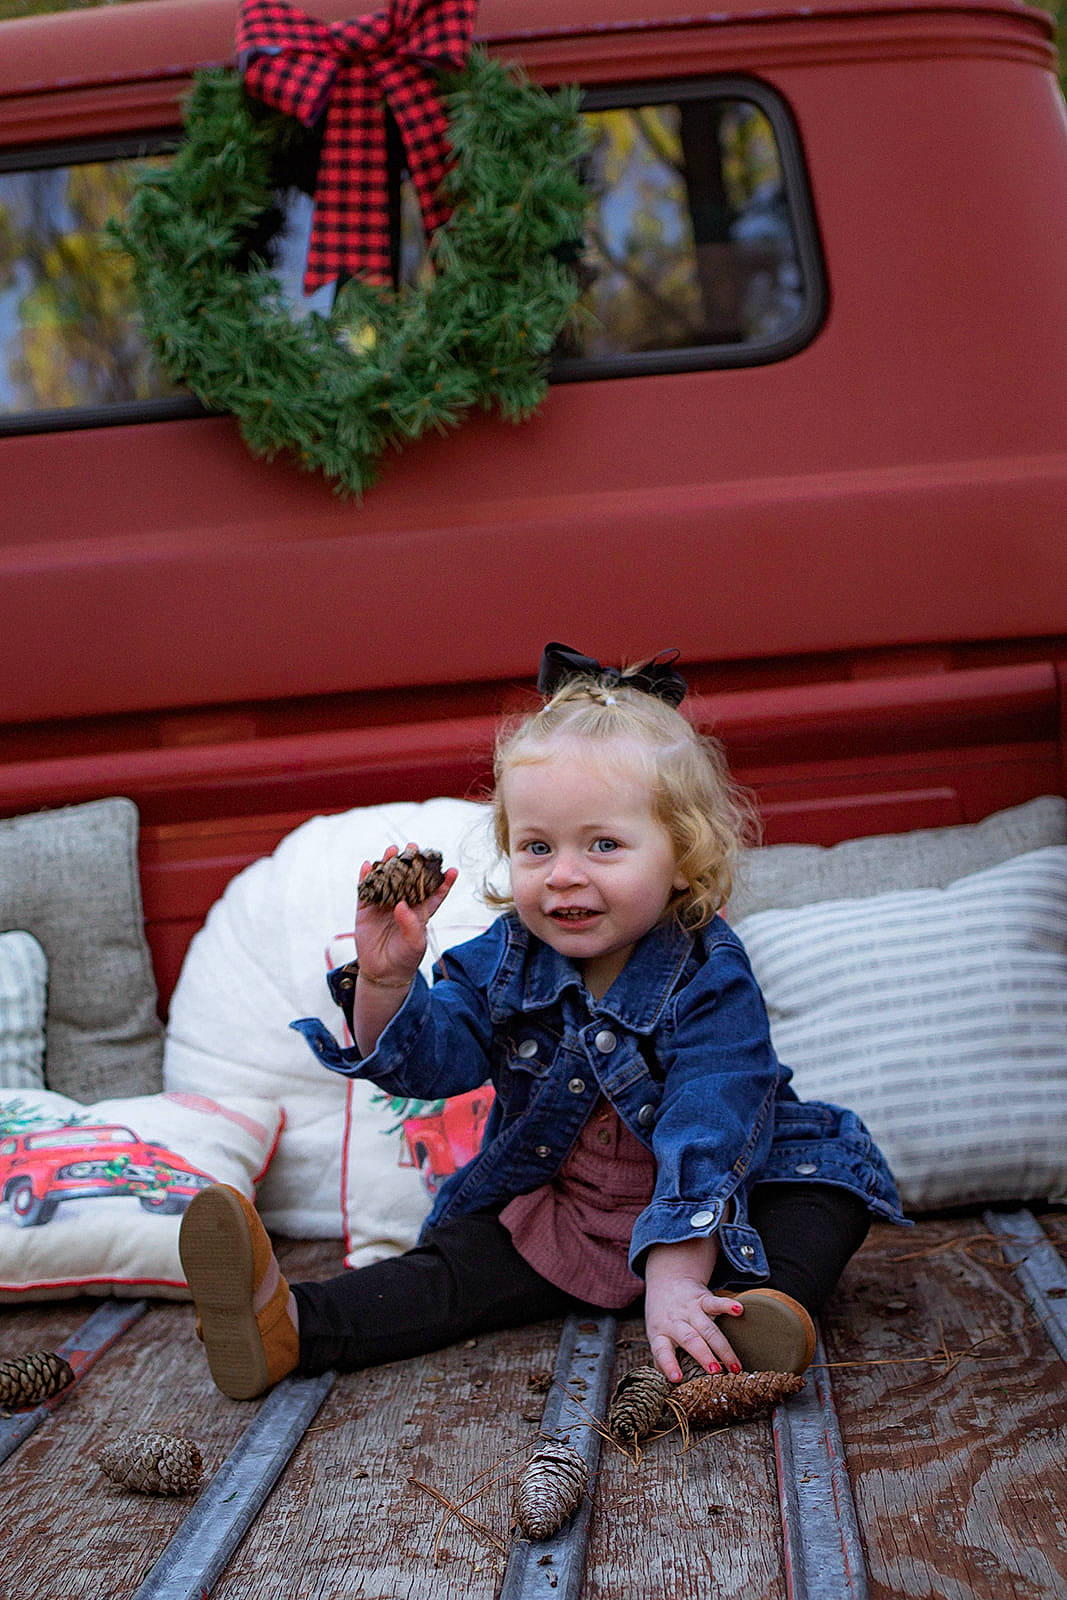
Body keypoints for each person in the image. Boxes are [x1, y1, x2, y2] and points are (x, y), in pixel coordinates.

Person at [179, 642, 906, 1401]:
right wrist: (387, 982)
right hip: (567, 1217)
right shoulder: (502, 961)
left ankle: (756, 1313)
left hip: (723, 1204)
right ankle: (293, 1323)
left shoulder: (709, 974)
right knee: (454, 1271)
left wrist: (675, 1270)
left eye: (602, 845)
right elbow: (434, 1065)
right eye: (536, 846)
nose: (562, 873)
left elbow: (712, 1120)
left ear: (683, 856)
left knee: (824, 1194)